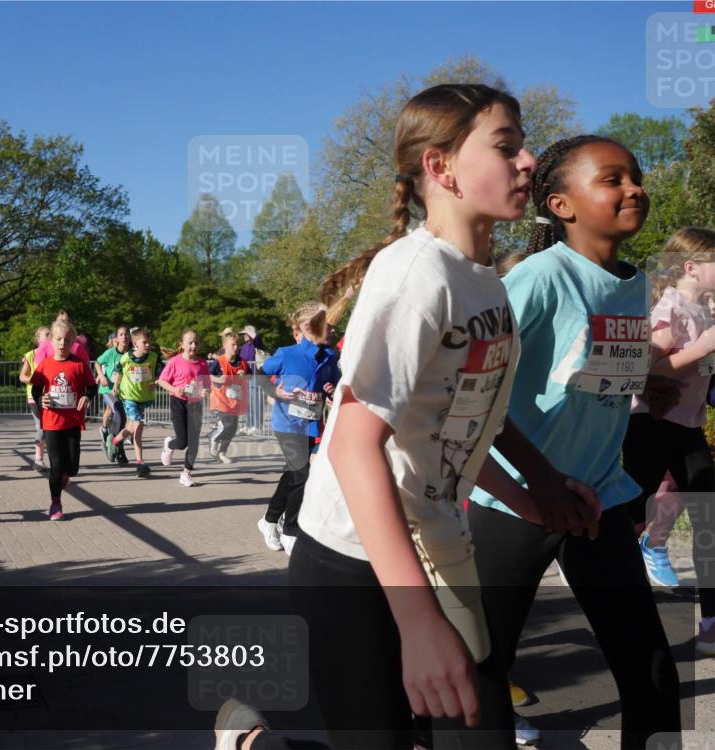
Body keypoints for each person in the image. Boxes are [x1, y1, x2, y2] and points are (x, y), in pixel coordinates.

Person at [220, 84, 592, 750]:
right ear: (441, 168)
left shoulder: (486, 282)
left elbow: (473, 412)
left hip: (442, 546)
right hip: (353, 564)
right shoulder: (417, 276)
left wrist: (538, 485)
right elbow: (353, 447)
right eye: (507, 147)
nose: (529, 160)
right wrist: (418, 621)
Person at [468, 135, 681, 747]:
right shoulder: (538, 277)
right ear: (560, 204)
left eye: (635, 176)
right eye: (612, 180)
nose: (634, 188)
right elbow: (472, 389)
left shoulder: (635, 283)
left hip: (598, 500)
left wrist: (643, 386)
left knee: (652, 675)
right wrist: (537, 483)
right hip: (514, 503)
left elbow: (582, 366)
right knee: (482, 670)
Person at [623, 226, 715, 656]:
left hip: (687, 428)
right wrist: (701, 350)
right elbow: (648, 374)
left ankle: (711, 622)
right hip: (652, 425)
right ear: (692, 268)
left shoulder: (708, 312)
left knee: (707, 519)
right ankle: (599, 565)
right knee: (629, 510)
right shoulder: (669, 308)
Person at [255, 302, 340, 555]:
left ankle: (269, 520)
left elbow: (335, 386)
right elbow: (260, 374)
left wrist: (333, 391)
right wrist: (275, 391)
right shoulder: (286, 353)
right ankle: (290, 531)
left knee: (294, 475)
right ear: (308, 327)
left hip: (312, 425)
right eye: (329, 325)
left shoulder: (329, 357)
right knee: (302, 474)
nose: (334, 330)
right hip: (287, 423)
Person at [29, 319, 96, 520]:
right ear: (51, 340)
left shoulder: (79, 365)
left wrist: (87, 396)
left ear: (73, 341)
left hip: (73, 421)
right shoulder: (45, 365)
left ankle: (64, 477)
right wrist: (42, 398)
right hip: (51, 422)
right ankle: (55, 503)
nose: (62, 343)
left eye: (67, 340)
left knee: (73, 466)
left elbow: (92, 387)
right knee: (56, 464)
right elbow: (35, 388)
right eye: (58, 339)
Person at [157, 329, 212, 487]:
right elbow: (162, 381)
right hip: (178, 402)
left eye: (196, 342)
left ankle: (186, 474)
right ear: (182, 344)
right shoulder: (175, 361)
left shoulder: (202, 363)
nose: (194, 345)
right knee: (182, 442)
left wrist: (205, 391)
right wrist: (175, 389)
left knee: (193, 442)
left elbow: (207, 386)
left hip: (195, 404)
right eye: (190, 342)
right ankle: (169, 444)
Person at [110, 328, 163, 478]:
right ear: (135, 343)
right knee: (138, 425)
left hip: (143, 397)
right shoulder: (126, 357)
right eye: (144, 342)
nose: (148, 345)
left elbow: (162, 372)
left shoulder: (153, 357)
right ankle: (140, 463)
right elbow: (118, 372)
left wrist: (157, 382)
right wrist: (115, 386)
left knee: (131, 428)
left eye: (149, 342)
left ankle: (114, 440)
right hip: (129, 397)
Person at [207, 330, 249, 463]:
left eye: (238, 345)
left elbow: (252, 376)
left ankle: (222, 452)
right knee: (226, 424)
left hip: (235, 400)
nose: (236, 348)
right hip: (220, 400)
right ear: (225, 346)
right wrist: (219, 380)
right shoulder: (219, 362)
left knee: (232, 429)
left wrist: (245, 375)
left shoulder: (242, 362)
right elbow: (208, 375)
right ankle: (213, 438)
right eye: (233, 345)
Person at [19, 326, 52, 471]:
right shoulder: (31, 355)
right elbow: (22, 376)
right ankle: (38, 459)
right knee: (41, 426)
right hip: (34, 396)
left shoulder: (54, 354)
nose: (49, 336)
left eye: (51, 334)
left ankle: (55, 458)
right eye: (46, 335)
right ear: (38, 339)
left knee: (52, 427)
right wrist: (36, 381)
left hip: (52, 396)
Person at [96, 326, 131, 465]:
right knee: (116, 413)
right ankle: (107, 433)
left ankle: (116, 445)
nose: (124, 337)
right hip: (108, 391)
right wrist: (101, 376)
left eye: (126, 334)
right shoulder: (110, 353)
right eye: (121, 334)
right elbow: (98, 362)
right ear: (116, 338)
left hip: (123, 392)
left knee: (122, 420)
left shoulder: (130, 355)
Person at [240, 326, 265, 435]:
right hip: (246, 377)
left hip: (256, 376)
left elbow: (258, 339)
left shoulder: (257, 344)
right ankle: (249, 424)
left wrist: (252, 333)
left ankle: (257, 426)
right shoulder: (244, 346)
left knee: (256, 401)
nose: (244, 335)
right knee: (248, 402)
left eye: (246, 333)